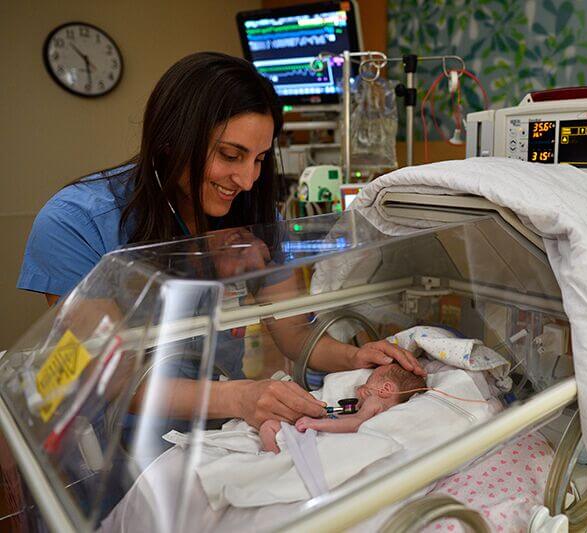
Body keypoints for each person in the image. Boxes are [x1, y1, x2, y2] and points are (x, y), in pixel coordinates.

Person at [18, 52, 424, 432]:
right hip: (114, 444)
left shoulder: (253, 215)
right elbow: (112, 377)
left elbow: (295, 334)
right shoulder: (75, 224)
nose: (247, 180)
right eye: (231, 155)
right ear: (172, 140)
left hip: (218, 430)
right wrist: (238, 397)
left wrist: (355, 356)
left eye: (260, 159)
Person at [259, 364, 427, 453]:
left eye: (369, 380)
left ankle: (273, 455)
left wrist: (315, 423)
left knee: (269, 426)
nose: (361, 385)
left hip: (330, 437)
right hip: (333, 433)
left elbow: (355, 424)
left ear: (385, 389)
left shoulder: (375, 401)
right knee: (270, 425)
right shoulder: (382, 408)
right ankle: (274, 455)